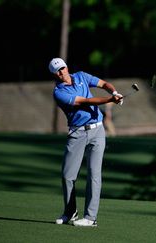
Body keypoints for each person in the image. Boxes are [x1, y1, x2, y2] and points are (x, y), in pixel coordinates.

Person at [49, 57, 123, 227]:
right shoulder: (59, 92)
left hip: (98, 131)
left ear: (67, 67)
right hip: (77, 133)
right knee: (68, 175)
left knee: (94, 174)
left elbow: (104, 84)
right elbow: (86, 102)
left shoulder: (81, 76)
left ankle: (91, 218)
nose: (62, 72)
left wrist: (114, 93)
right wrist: (110, 101)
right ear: (54, 75)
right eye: (57, 71)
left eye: (63, 68)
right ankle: (70, 212)